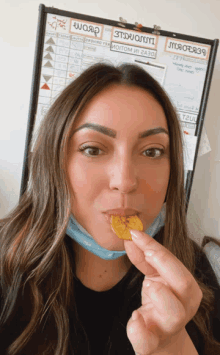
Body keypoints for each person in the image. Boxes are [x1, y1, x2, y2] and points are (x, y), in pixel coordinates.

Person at [0, 63, 220, 355]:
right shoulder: (6, 264)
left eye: (152, 151)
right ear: (55, 163)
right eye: (93, 149)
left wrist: (174, 346)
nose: (126, 181)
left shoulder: (194, 272)